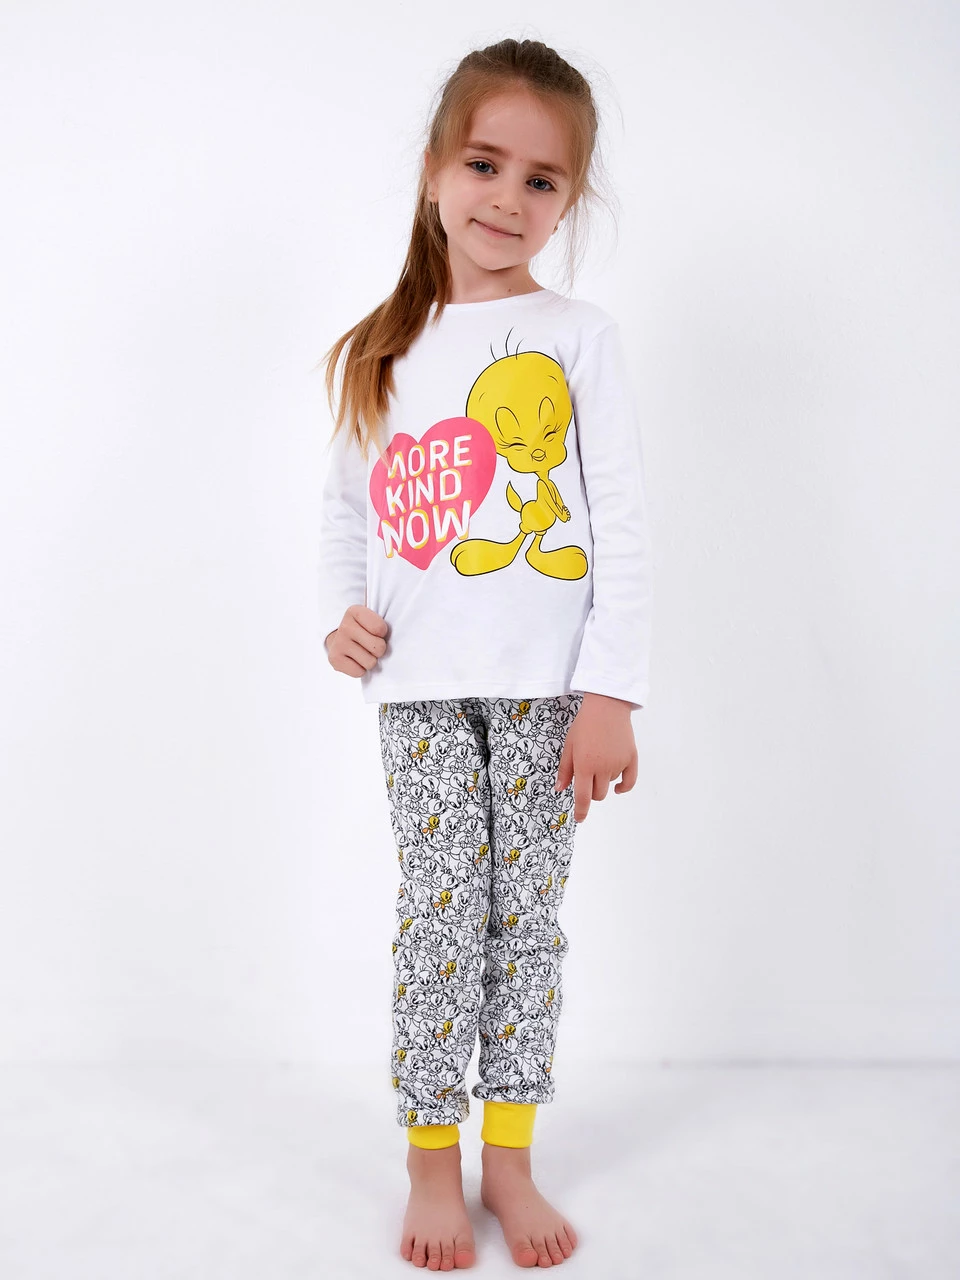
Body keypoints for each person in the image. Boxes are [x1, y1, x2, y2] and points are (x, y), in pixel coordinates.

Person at [316, 36, 653, 1271]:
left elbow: (621, 520)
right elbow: (345, 510)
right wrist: (343, 613)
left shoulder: (578, 336)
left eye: (541, 179)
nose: (508, 197)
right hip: (416, 691)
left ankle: (509, 1152)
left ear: (570, 199)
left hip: (546, 693)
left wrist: (612, 689)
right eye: (484, 163)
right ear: (433, 170)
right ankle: (429, 1153)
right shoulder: (381, 348)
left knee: (529, 921)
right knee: (443, 914)